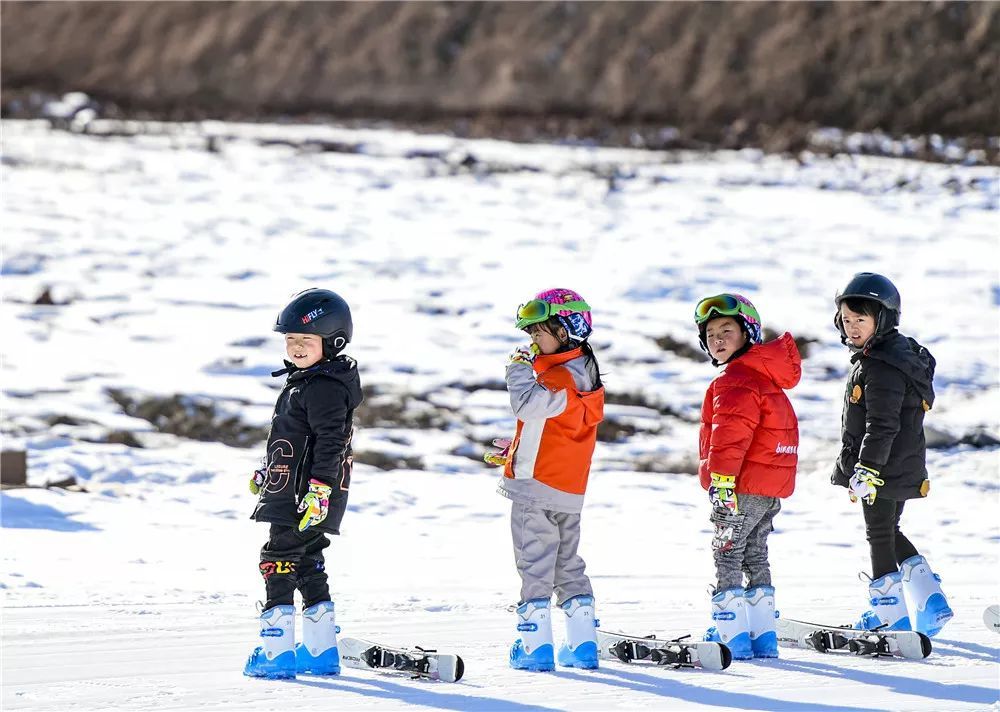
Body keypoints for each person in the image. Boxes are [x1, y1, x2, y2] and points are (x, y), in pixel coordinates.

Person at [243, 288, 364, 679]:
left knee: (277, 559)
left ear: (332, 342)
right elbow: (298, 440)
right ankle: (318, 649)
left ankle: (276, 652)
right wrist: (269, 472)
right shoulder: (309, 381)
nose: (295, 347)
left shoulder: (324, 387)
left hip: (304, 496)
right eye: (290, 339)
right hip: (294, 489)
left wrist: (319, 488)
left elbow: (331, 442)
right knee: (309, 561)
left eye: (305, 341)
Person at [485, 288, 605, 672]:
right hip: (567, 488)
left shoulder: (559, 377)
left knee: (534, 564)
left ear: (566, 328)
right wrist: (518, 446)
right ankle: (582, 643)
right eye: (530, 335)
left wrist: (516, 368)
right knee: (567, 563)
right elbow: (558, 430)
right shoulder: (584, 372)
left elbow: (526, 404)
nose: (532, 341)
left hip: (536, 489)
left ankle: (534, 647)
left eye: (539, 333)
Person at [832, 272, 952, 637]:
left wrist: (866, 470)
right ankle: (930, 600)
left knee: (879, 535)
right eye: (847, 320)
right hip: (900, 464)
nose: (852, 328)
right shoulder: (891, 357)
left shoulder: (880, 366)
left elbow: (881, 425)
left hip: (881, 467)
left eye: (860, 320)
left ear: (882, 320)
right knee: (888, 529)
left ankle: (890, 615)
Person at [694, 293, 801, 660]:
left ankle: (731, 633)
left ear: (748, 334)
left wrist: (721, 483)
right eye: (710, 334)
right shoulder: (765, 379)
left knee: (726, 552)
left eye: (727, 330)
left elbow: (730, 436)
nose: (718, 339)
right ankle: (762, 633)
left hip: (737, 488)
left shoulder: (735, 380)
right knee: (755, 554)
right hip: (767, 489)